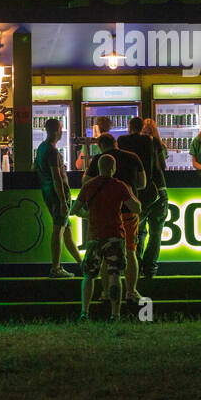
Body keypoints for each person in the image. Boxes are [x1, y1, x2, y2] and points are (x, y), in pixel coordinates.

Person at [70, 155, 141, 320]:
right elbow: (136, 208)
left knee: (89, 275)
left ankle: (84, 312)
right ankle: (115, 314)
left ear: (99, 167)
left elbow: (74, 210)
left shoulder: (89, 185)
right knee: (115, 274)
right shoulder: (119, 186)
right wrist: (133, 195)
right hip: (115, 235)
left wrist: (88, 215)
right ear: (113, 168)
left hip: (94, 236)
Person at [85, 133, 146, 302]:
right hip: (129, 211)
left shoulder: (99, 159)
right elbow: (143, 183)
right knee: (130, 251)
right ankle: (131, 291)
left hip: (107, 213)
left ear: (100, 146)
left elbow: (87, 183)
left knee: (107, 254)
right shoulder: (133, 157)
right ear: (116, 143)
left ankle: (106, 293)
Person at [35, 118, 80, 279]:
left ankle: (83, 265)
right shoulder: (53, 152)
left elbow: (36, 168)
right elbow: (57, 178)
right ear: (57, 131)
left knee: (67, 232)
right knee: (58, 230)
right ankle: (56, 268)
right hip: (57, 196)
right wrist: (62, 201)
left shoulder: (41, 148)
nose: (62, 132)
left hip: (48, 193)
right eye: (61, 129)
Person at [122, 117, 167, 280]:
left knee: (138, 231)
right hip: (157, 188)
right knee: (156, 231)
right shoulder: (154, 142)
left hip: (137, 191)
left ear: (129, 127)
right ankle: (150, 267)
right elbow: (162, 165)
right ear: (141, 127)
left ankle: (137, 266)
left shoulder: (123, 142)